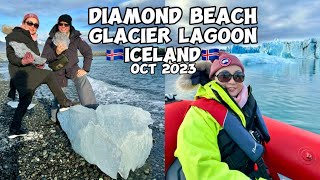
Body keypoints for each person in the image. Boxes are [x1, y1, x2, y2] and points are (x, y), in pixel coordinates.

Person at [170, 52, 271, 179]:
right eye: (224, 76)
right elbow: (202, 170)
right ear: (213, 79)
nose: (232, 81)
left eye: (238, 76)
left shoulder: (244, 104)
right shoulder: (199, 115)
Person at [5, 13, 75, 137]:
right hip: (21, 73)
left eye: (36, 25)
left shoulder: (30, 38)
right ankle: (64, 102)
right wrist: (23, 61)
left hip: (27, 72)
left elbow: (33, 56)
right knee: (49, 75)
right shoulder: (15, 35)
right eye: (30, 23)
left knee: (25, 100)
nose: (33, 26)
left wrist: (37, 64)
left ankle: (14, 129)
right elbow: (11, 57)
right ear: (23, 22)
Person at [42, 14, 97, 122]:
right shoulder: (50, 39)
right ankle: (54, 117)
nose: (63, 26)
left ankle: (91, 110)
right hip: (58, 70)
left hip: (73, 68)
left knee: (83, 80)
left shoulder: (76, 38)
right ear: (57, 24)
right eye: (60, 24)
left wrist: (85, 69)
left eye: (66, 24)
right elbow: (45, 58)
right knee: (59, 94)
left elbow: (88, 52)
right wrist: (56, 53)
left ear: (70, 26)